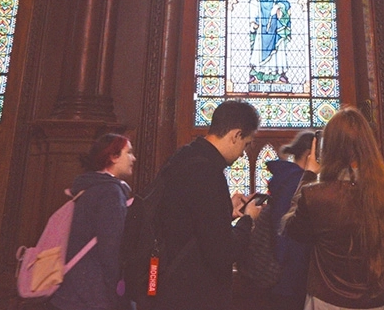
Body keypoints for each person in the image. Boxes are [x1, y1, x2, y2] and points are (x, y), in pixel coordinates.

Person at [282, 106, 384, 310]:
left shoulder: (317, 196)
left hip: (331, 302)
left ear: (329, 149)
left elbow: (293, 230)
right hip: (381, 301)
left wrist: (308, 175)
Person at [154, 100, 263, 310]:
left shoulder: (185, 157)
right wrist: (248, 219)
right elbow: (223, 253)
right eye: (246, 143)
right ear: (236, 135)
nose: (243, 153)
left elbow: (189, 221)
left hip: (172, 286)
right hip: (193, 295)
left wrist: (226, 211)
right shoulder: (207, 173)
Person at [50, 133, 136, 310]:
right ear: (113, 157)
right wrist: (121, 297)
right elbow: (112, 250)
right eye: (128, 152)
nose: (133, 158)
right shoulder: (110, 192)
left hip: (70, 291)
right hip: (95, 296)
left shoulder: (87, 187)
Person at [265, 130, 314, 310]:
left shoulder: (287, 179)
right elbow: (284, 230)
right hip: (292, 277)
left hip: (288, 277)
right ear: (310, 154)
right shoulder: (296, 183)